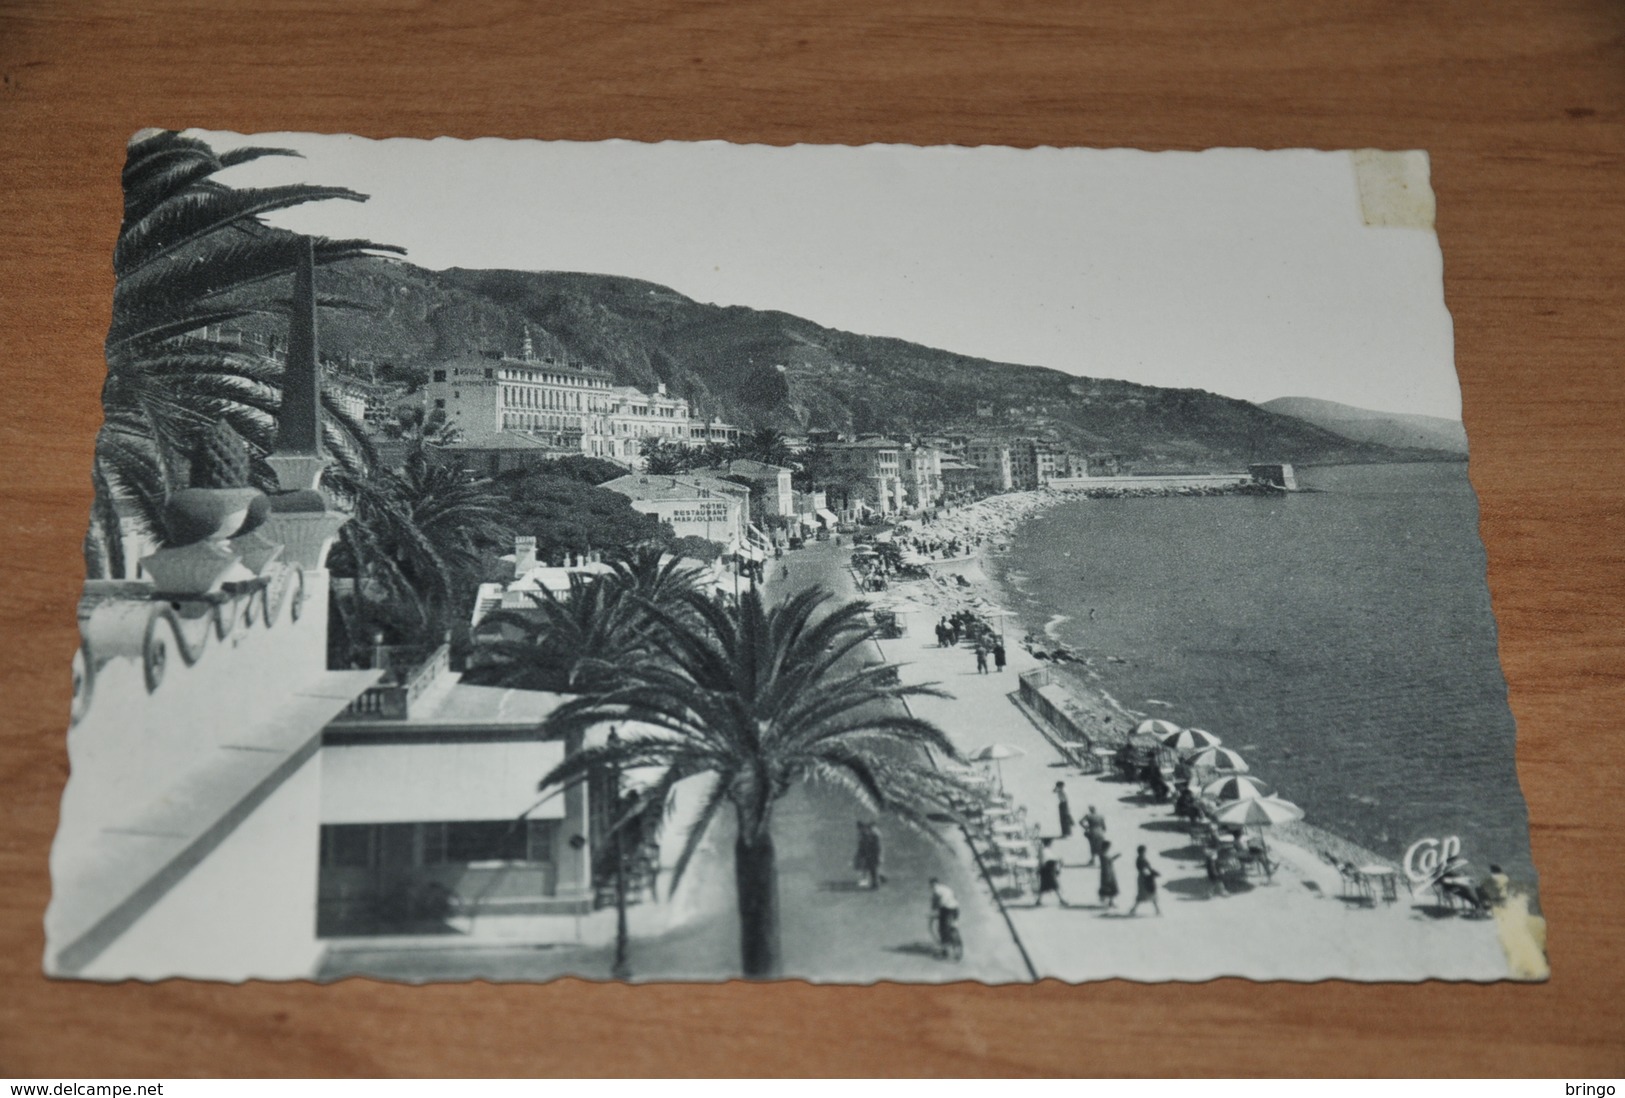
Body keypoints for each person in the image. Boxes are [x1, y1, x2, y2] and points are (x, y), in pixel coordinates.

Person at [929, 877, 962, 960]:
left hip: (946, 909)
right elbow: (954, 896)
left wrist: (933, 912)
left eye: (932, 885)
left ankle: (945, 951)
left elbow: (935, 903)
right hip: (955, 908)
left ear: (933, 884)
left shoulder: (936, 891)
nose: (933, 886)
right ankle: (958, 945)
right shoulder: (946, 888)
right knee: (953, 926)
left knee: (942, 929)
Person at [1129, 845, 1161, 916]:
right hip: (1144, 878)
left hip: (1145, 877)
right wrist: (1151, 873)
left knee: (1148, 894)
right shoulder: (1140, 859)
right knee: (1147, 893)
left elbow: (1148, 868)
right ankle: (1134, 909)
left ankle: (1157, 910)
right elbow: (1144, 869)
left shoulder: (1141, 858)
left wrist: (1152, 872)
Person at [1035, 838, 1068, 907]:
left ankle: (1038, 900)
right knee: (1055, 885)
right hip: (1047, 870)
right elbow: (1044, 861)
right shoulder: (1044, 851)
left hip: (1047, 870)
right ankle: (1061, 899)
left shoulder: (1044, 850)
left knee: (1044, 886)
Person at [1097, 840, 1120, 908]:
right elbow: (1107, 863)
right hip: (1107, 873)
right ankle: (1109, 901)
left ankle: (1108, 901)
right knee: (1110, 888)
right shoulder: (1103, 855)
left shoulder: (1103, 854)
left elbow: (1109, 860)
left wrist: (1115, 857)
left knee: (1109, 888)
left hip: (1108, 873)